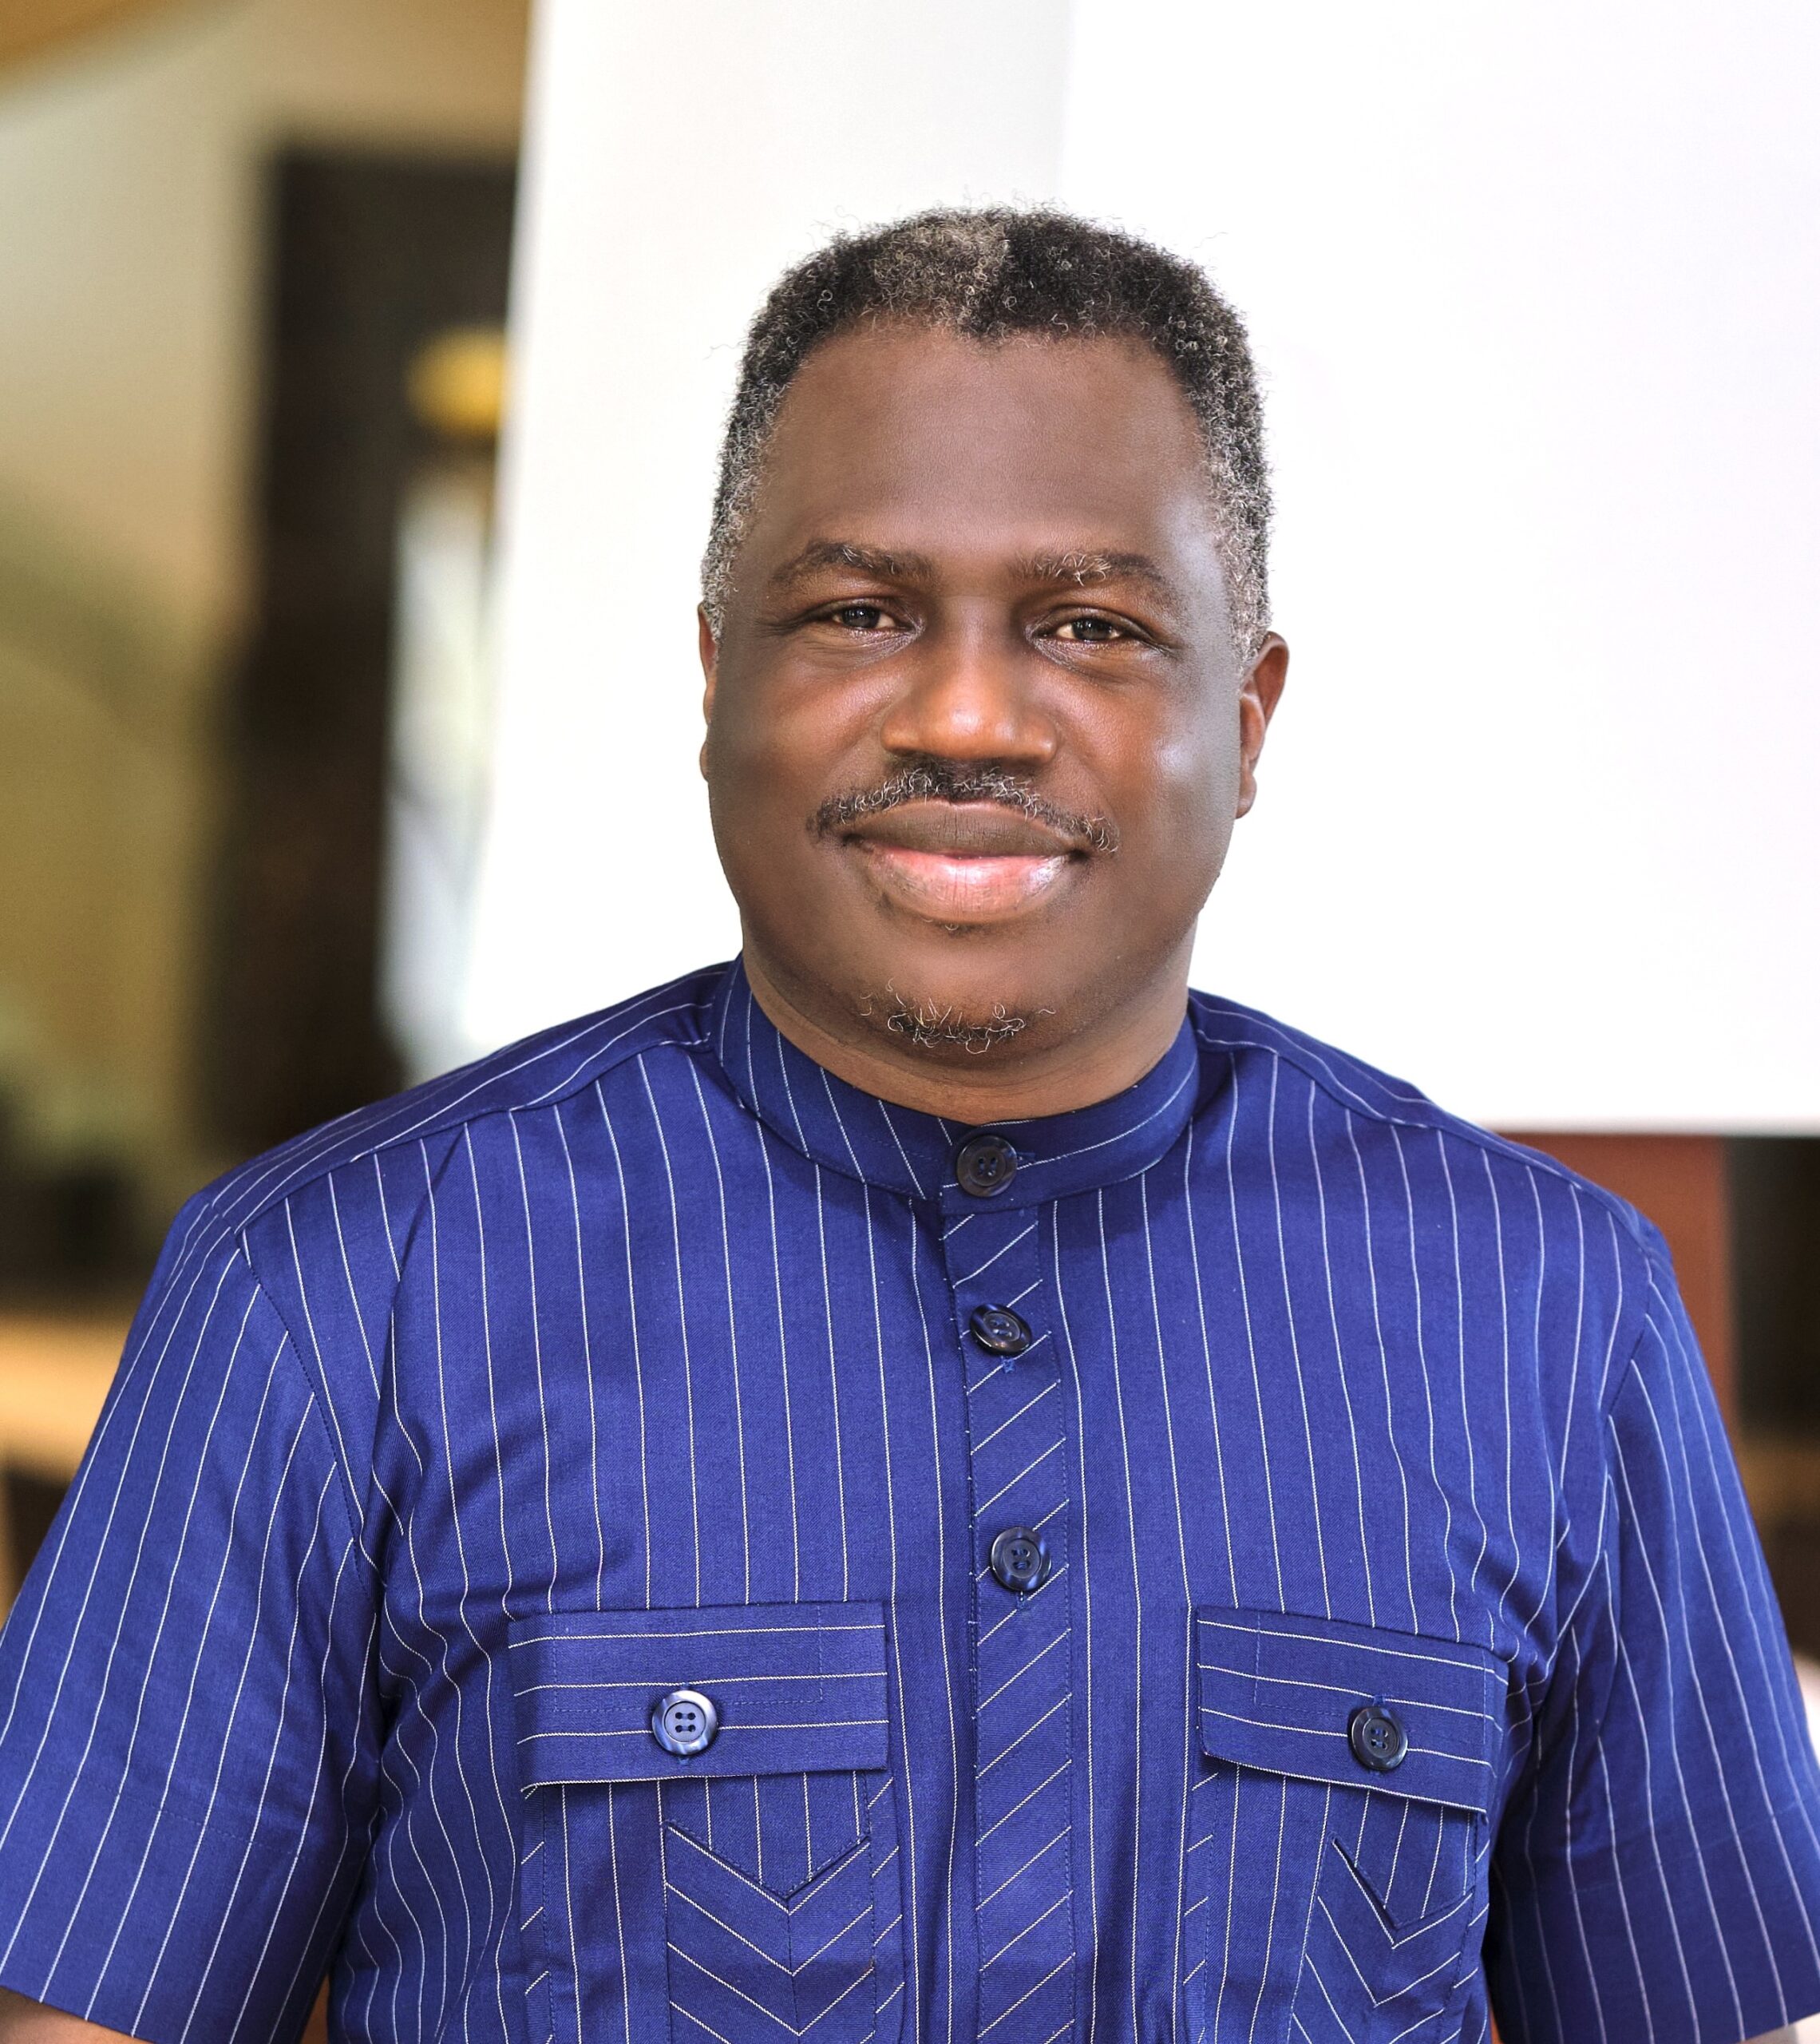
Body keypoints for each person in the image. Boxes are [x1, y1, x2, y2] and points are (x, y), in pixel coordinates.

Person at [0, 208, 1814, 2044]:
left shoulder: (1549, 1317)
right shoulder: (333, 1292)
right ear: (718, 672)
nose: (967, 715)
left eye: (1091, 625)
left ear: (1249, 714)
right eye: (862, 612)